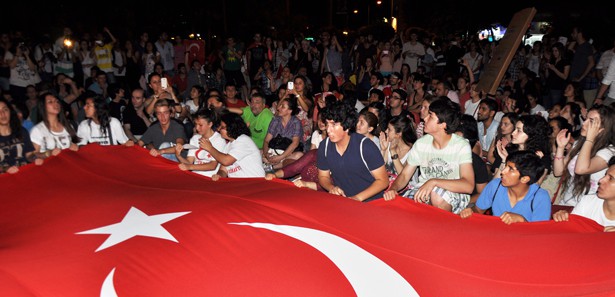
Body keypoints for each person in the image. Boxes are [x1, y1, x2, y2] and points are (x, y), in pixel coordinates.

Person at [383, 97, 474, 214]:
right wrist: (393, 189)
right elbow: (405, 175)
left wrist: (433, 182)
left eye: (430, 116)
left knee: (437, 194)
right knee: (396, 203)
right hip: (423, 189)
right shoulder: (421, 144)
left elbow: (468, 185)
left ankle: (441, 229)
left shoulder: (461, 145)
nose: (425, 118)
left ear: (443, 124)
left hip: (454, 194)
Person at [317, 100, 388, 202]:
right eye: (327, 124)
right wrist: (331, 188)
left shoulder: (365, 146)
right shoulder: (324, 146)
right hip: (345, 201)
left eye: (333, 125)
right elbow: (323, 176)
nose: (328, 129)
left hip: (371, 202)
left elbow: (383, 181)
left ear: (347, 126)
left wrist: (358, 198)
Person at [460, 150, 551, 224]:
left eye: (510, 169)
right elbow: (478, 210)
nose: (503, 171)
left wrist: (522, 221)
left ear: (524, 179)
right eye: (506, 166)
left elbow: (540, 233)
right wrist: (470, 211)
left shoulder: (540, 197)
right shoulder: (495, 185)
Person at [553, 104, 615, 206]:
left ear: (603, 128)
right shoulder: (579, 143)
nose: (584, 124)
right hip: (566, 203)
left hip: (588, 208)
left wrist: (590, 139)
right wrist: (560, 147)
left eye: (591, 121)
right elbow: (558, 172)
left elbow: (581, 169)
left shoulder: (609, 151)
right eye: (585, 119)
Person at [553, 156, 615, 232]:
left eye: (611, 179)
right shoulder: (588, 202)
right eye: (605, 175)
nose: (601, 180)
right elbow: (572, 234)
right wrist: (563, 217)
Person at [201, 112, 265, 179]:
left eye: (222, 127)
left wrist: (210, 148)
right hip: (239, 185)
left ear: (231, 127)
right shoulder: (228, 146)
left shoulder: (243, 140)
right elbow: (223, 170)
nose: (218, 129)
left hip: (254, 183)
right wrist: (219, 176)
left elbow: (226, 161)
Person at [175, 109, 226, 177]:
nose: (197, 128)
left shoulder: (219, 139)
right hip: (195, 175)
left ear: (210, 124)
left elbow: (213, 165)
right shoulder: (195, 138)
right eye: (196, 124)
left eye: (200, 125)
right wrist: (179, 156)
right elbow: (189, 161)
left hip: (210, 177)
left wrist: (189, 167)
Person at [29, 92, 80, 159]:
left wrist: (75, 147)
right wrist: (48, 153)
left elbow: (76, 144)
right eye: (50, 102)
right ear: (43, 106)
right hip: (49, 167)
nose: (55, 104)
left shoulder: (68, 125)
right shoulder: (38, 130)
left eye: (57, 101)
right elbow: (31, 156)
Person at [262, 96, 304, 170]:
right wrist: (266, 154)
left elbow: (295, 143)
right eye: (280, 105)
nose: (278, 108)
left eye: (283, 107)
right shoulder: (275, 120)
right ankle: (271, 163)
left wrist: (281, 157)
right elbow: (267, 140)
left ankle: (272, 167)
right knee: (256, 152)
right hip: (275, 150)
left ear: (289, 111)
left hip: (288, 153)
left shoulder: (296, 122)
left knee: (299, 156)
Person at [0, 97, 37, 174]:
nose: (2, 114)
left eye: (5, 109)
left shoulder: (21, 131)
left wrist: (35, 158)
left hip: (23, 173)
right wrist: (5, 168)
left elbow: (29, 155)